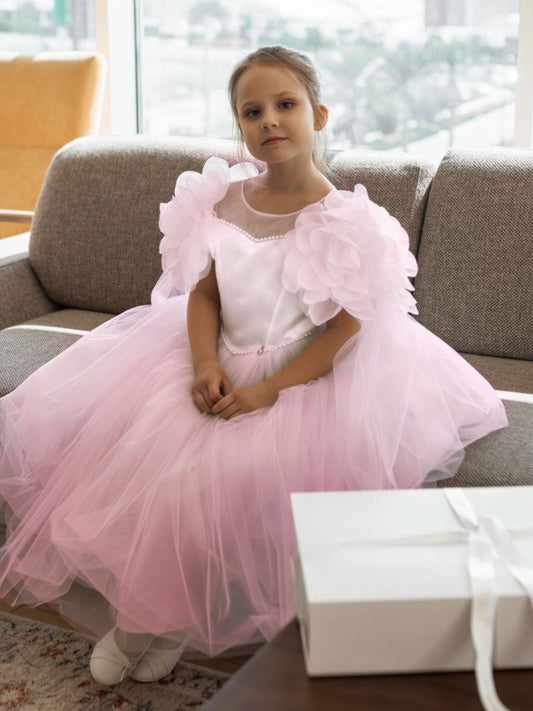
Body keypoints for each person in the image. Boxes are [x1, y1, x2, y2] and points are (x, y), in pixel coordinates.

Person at [0, 45, 508, 686]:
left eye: (285, 104)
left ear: (318, 115)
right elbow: (204, 295)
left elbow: (346, 327)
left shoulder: (345, 220)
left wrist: (269, 390)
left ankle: (155, 625)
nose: (269, 119)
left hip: (299, 377)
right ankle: (150, 620)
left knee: (206, 492)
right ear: (239, 125)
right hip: (213, 357)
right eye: (252, 110)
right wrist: (203, 362)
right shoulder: (219, 200)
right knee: (146, 473)